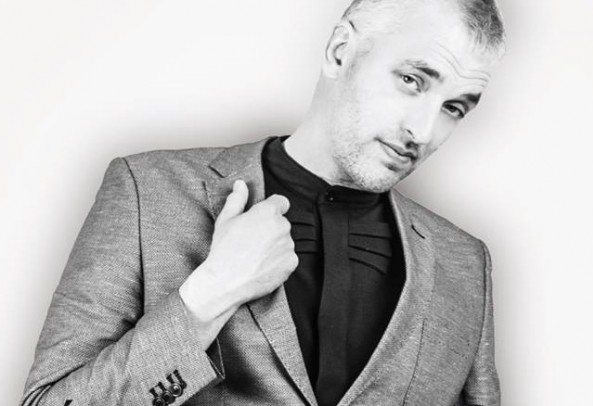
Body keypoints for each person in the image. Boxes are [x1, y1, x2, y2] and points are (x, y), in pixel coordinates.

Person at [21, 0, 506, 405]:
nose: (422, 131)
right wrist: (211, 293)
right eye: (413, 80)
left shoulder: (465, 264)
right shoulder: (147, 191)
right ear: (340, 51)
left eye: (454, 107)